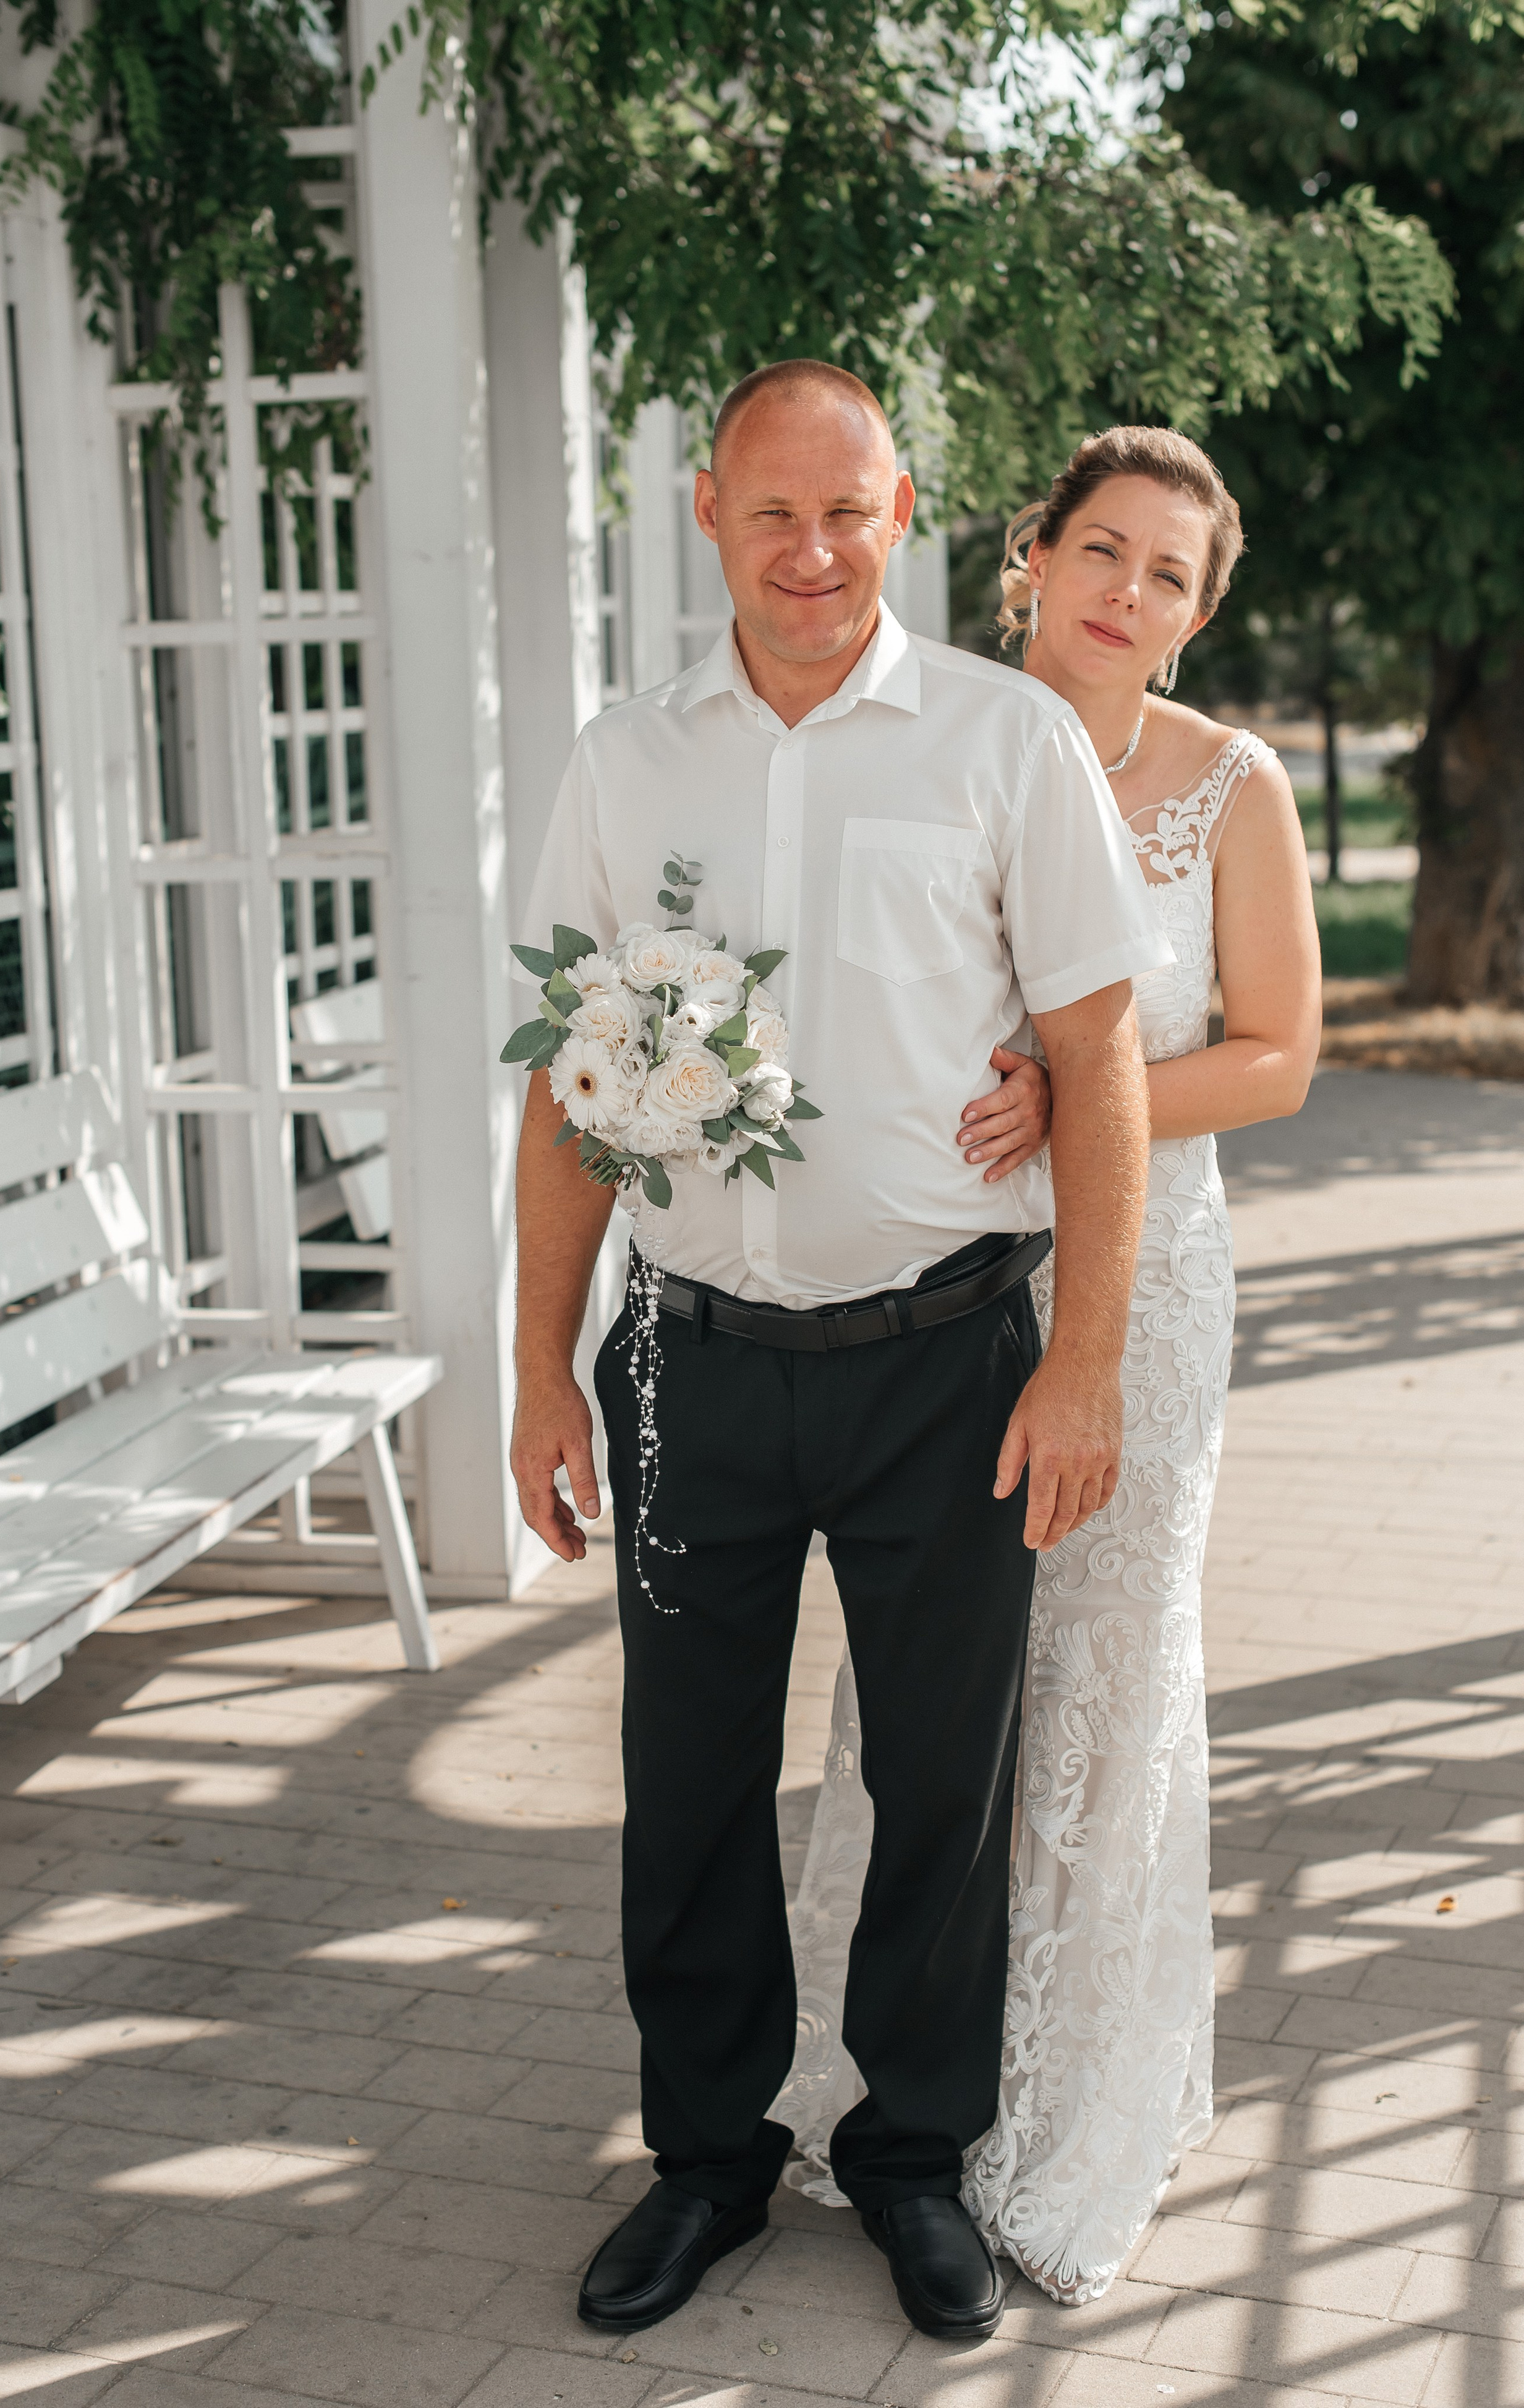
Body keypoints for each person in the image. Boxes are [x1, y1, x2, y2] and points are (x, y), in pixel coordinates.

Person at [509, 362, 1177, 2343]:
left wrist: (1091, 1363)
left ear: (908, 515)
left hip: (946, 1364)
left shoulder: (1001, 740)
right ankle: (709, 2160)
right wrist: (543, 1363)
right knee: (687, 1778)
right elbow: (569, 1087)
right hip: (686, 1360)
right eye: (775, 513)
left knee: (944, 1785)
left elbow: (1098, 1057)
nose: (813, 554)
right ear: (711, 507)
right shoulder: (627, 763)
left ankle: (913, 2161)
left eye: (852, 515)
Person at [778, 425, 1322, 2305]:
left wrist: (1087, 1093)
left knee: (1101, 1676)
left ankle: (1061, 2102)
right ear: (1034, 554)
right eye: (1106, 549)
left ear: (1197, 614)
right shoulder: (920, 738)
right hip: (934, 1287)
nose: (1130, 594)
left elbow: (1280, 1057)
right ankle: (884, 2091)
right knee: (923, 1687)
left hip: (1148, 1288)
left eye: (1172, 575)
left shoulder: (1227, 787)